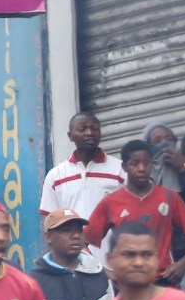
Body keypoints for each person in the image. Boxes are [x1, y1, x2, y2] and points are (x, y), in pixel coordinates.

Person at [85, 138, 185, 281]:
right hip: (127, 284)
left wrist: (183, 263)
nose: (142, 168)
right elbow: (83, 243)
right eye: (135, 163)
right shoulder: (110, 202)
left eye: (146, 163)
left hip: (164, 280)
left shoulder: (169, 197)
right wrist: (104, 272)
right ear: (124, 166)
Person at [41, 112, 125, 272]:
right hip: (72, 263)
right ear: (70, 136)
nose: (89, 133)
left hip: (113, 262)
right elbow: (50, 222)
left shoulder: (119, 170)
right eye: (82, 129)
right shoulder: (56, 176)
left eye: (94, 128)